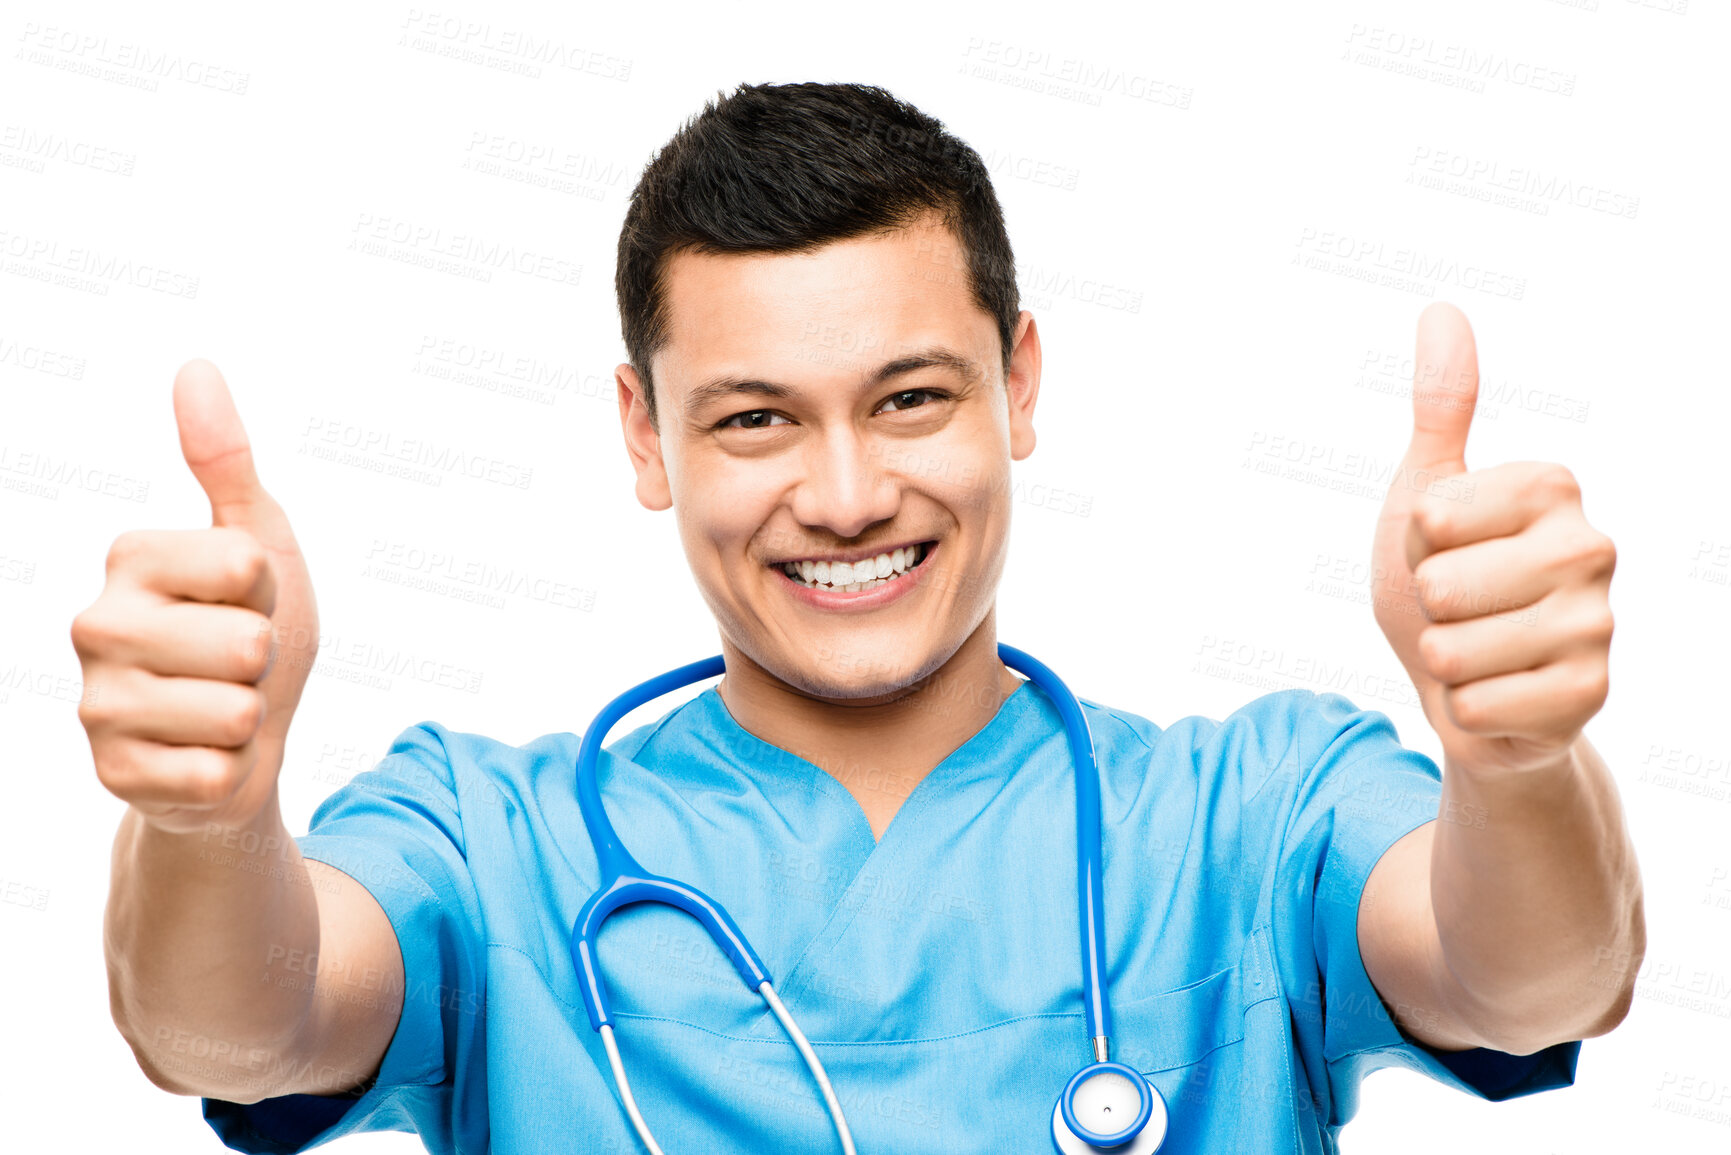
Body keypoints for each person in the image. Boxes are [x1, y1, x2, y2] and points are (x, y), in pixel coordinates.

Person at [77, 82, 1644, 1154]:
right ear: (644, 436)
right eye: (755, 420)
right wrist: (205, 816)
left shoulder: (1247, 814)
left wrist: (1514, 762)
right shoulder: (493, 839)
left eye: (908, 398)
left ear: (1018, 384)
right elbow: (236, 1034)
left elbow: (1534, 980)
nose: (844, 496)